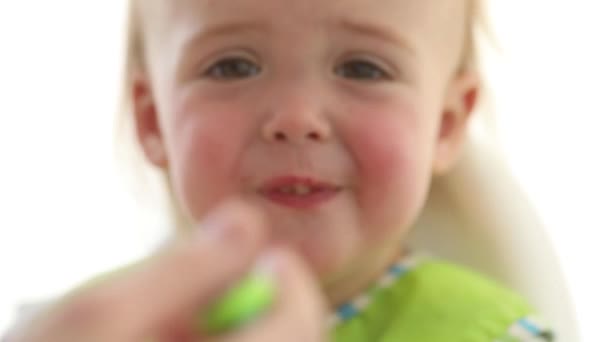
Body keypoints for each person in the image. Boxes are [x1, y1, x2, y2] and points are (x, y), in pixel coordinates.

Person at [7, 0, 555, 341]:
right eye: (232, 66)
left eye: (362, 67)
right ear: (154, 121)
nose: (296, 118)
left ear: (444, 126)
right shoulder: (99, 325)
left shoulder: (492, 334)